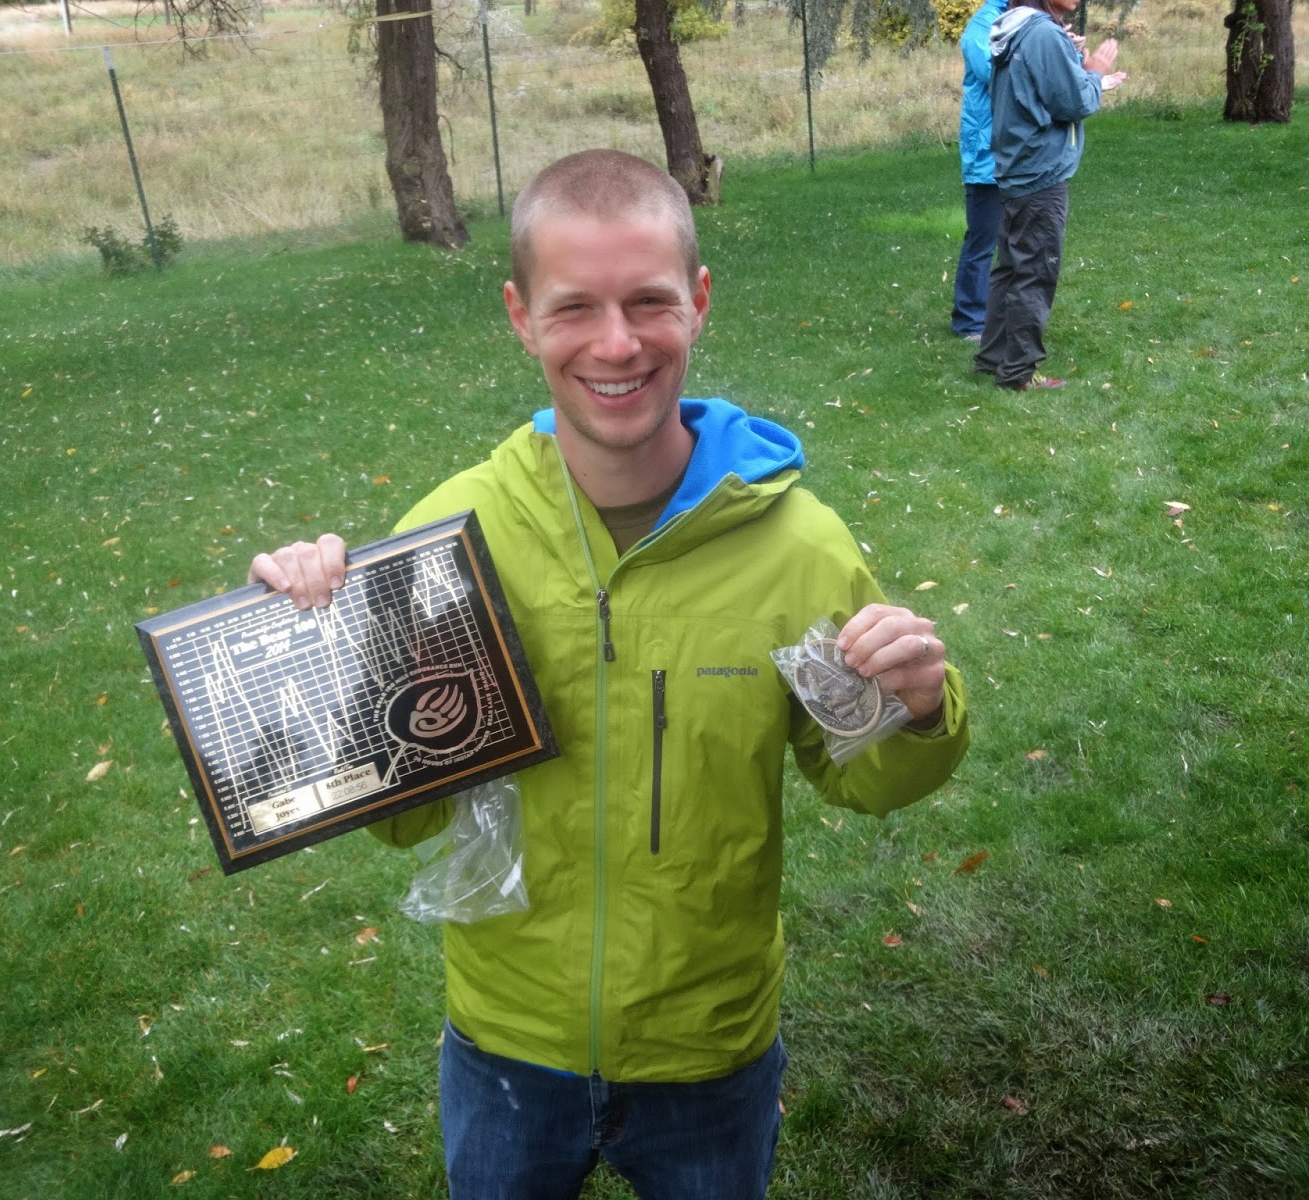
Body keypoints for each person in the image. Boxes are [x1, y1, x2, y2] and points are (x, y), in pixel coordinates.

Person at [248, 149, 971, 1200]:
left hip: (709, 1045)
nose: (617, 343)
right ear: (520, 316)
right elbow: (404, 819)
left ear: (700, 301)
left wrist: (917, 712)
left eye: (649, 302)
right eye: (575, 307)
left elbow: (860, 774)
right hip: (507, 1040)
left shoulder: (797, 548)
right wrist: (315, 653)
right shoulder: (450, 539)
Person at [972, 0, 1126, 391]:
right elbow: (1074, 103)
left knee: (1011, 269)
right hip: (1040, 171)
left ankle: (992, 359)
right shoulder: (1041, 33)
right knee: (1035, 273)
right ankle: (1017, 374)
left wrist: (1069, 59)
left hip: (1017, 166)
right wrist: (1094, 71)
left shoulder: (1018, 28)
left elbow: (1037, 90)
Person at [951, 0, 1009, 342]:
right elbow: (994, 75)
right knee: (983, 239)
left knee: (1010, 239)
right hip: (986, 155)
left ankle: (997, 311)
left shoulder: (1014, 17)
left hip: (1011, 151)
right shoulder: (982, 25)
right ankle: (969, 319)